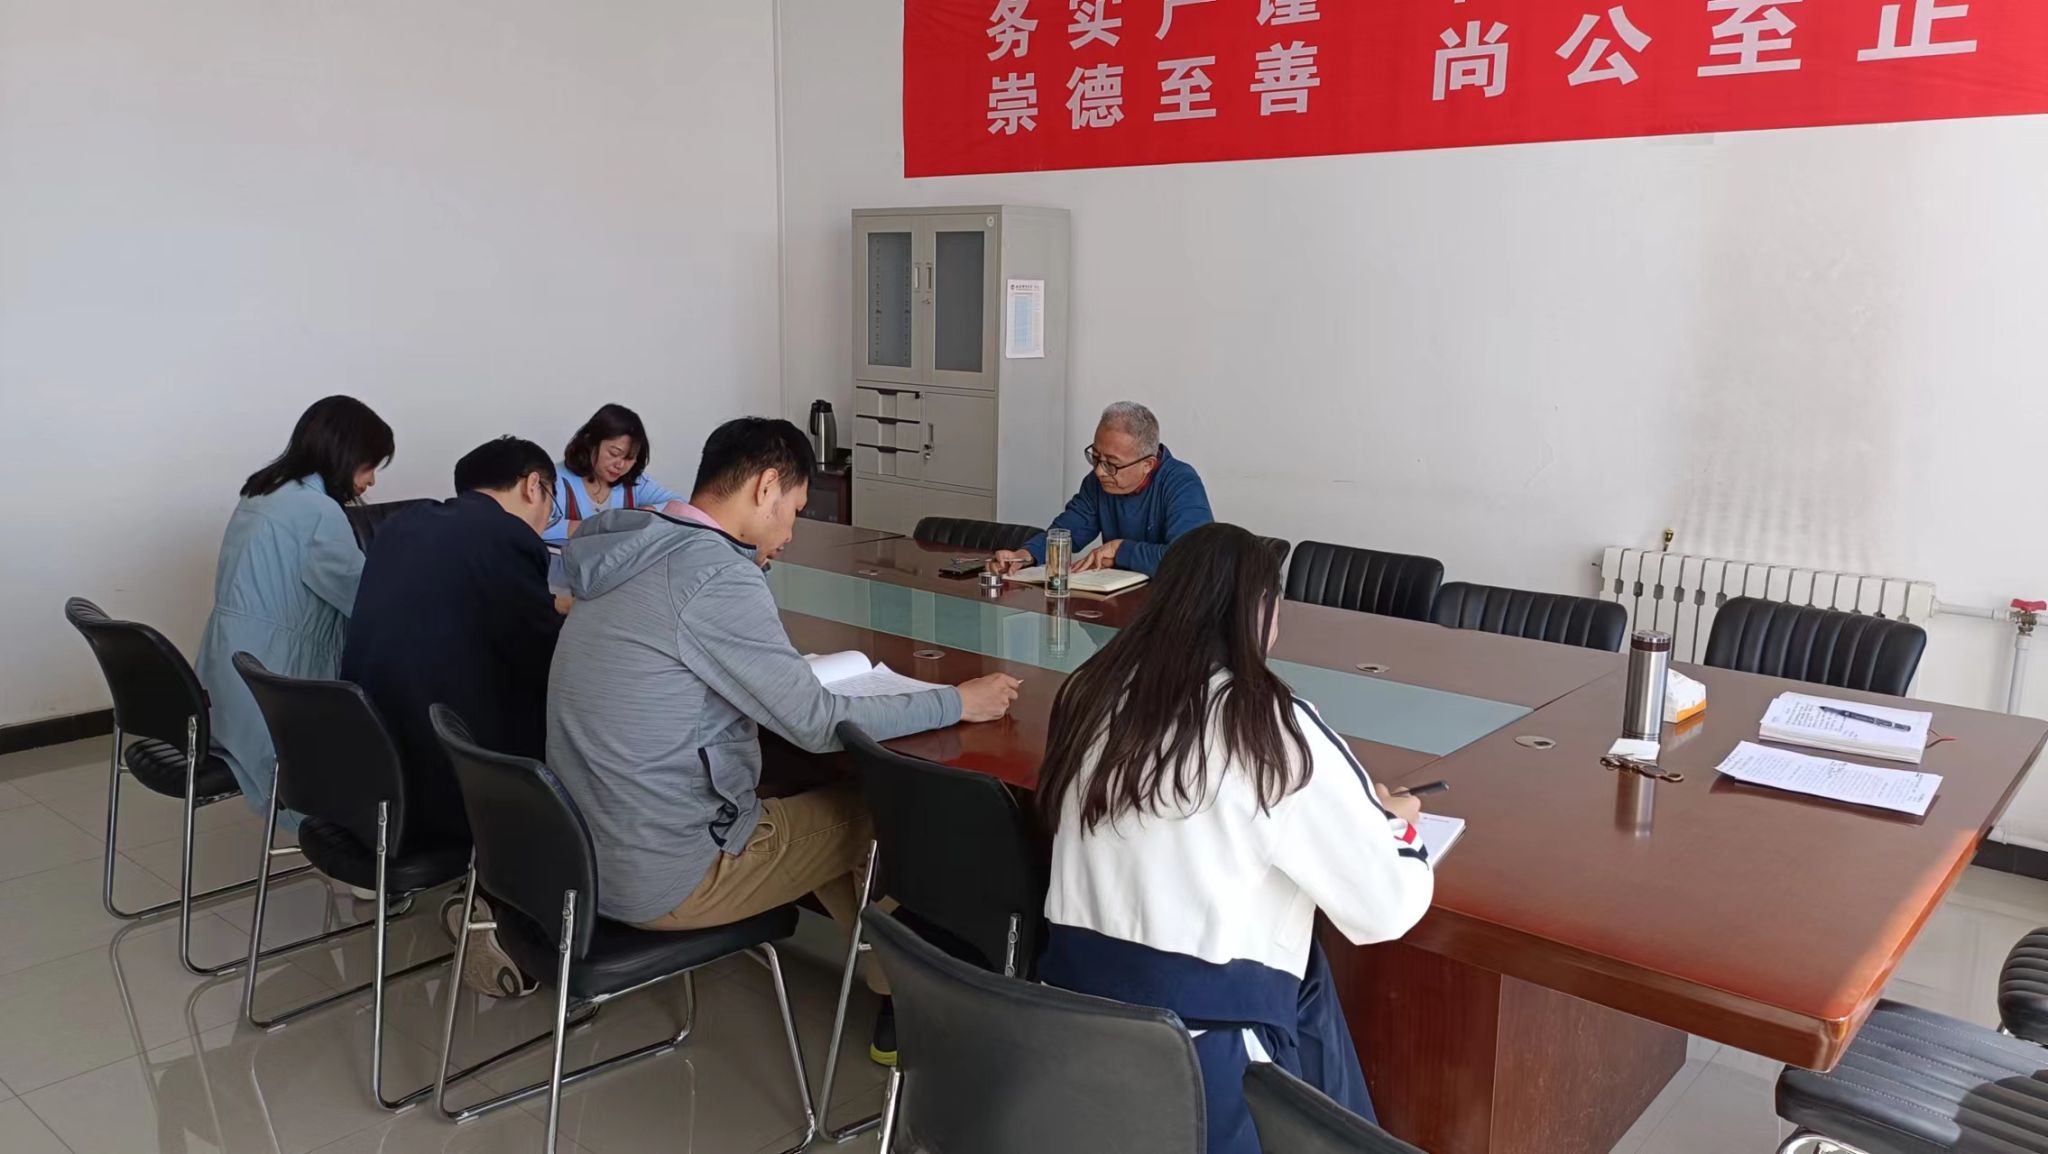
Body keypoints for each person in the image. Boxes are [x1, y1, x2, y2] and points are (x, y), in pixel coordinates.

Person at [546, 416, 1022, 1059]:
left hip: (581, 854)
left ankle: (891, 978)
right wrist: (958, 700)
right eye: (795, 509)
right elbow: (820, 724)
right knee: (879, 806)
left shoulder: (636, 545)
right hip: (664, 873)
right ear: (766, 486)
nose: (792, 533)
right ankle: (918, 998)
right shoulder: (715, 574)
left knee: (799, 793)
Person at [1034, 523, 1435, 1154]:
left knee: (1304, 970)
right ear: (1262, 613)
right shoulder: (1267, 723)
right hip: (1199, 1062)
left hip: (1064, 1025)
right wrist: (1393, 822)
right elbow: (1384, 907)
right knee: (1305, 971)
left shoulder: (1091, 691)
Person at [196, 395, 394, 828]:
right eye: (369, 466)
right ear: (345, 454)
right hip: (274, 683)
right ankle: (363, 854)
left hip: (226, 678)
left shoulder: (261, 493)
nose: (371, 481)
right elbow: (363, 598)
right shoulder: (316, 511)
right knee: (378, 748)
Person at [991, 401, 1213, 577]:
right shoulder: (1097, 483)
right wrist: (1025, 555)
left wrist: (1120, 549)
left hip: (1173, 604)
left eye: (1111, 464)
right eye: (1096, 457)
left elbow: (1188, 560)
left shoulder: (1182, 484)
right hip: (1118, 598)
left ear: (1148, 464)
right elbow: (1067, 532)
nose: (1099, 472)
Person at [546, 403, 687, 542]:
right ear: (590, 442)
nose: (620, 465)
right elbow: (536, 526)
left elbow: (682, 507)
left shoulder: (636, 483)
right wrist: (595, 527)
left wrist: (647, 512)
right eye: (614, 453)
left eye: (629, 458)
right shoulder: (553, 480)